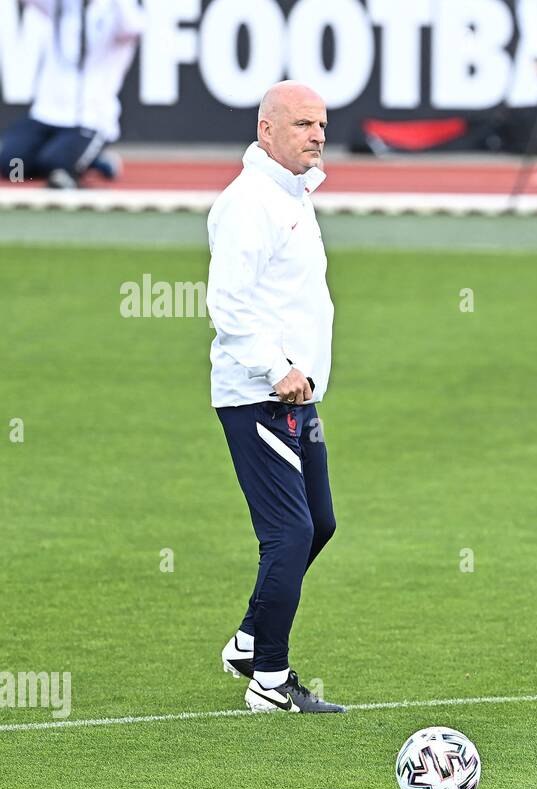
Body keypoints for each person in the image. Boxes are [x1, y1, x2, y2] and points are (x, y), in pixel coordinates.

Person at [209, 81, 344, 714]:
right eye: (302, 125)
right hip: (258, 393)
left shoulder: (290, 194)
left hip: (297, 396)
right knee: (288, 534)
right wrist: (274, 367)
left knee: (319, 523)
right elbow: (228, 304)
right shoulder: (249, 203)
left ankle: (246, 641)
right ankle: (270, 678)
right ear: (267, 131)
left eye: (320, 124)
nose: (317, 135)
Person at [0, 0, 141, 188]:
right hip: (47, 114)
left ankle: (76, 159)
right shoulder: (63, 5)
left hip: (90, 118)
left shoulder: (117, 10)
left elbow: (132, 28)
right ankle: (92, 161)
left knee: (57, 167)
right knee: (12, 166)